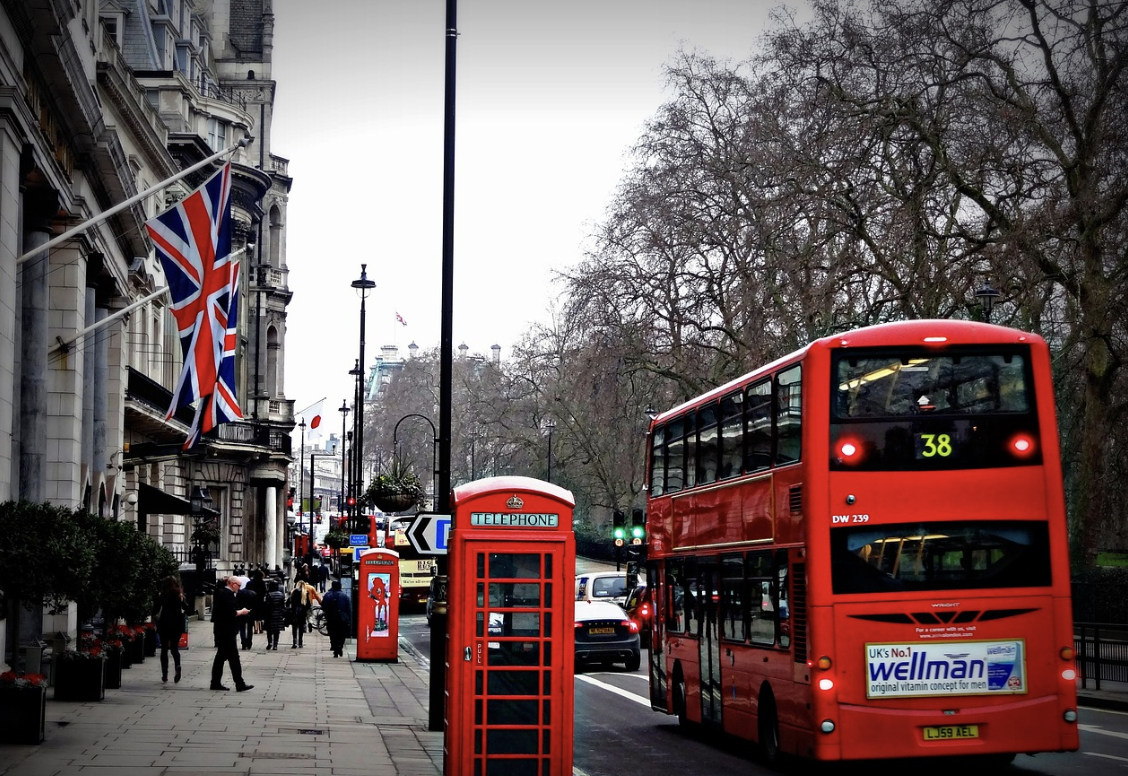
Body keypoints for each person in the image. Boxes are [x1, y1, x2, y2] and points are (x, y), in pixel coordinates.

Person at [211, 575, 254, 692]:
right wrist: (242, 612)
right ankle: (239, 684)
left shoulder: (222, 593)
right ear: (232, 584)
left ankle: (216, 682)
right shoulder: (227, 594)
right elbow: (231, 613)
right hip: (227, 631)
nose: (239, 588)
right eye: (238, 586)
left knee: (221, 658)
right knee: (233, 658)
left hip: (224, 630)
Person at [155, 575, 190, 683]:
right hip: (177, 624)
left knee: (164, 649)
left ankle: (164, 675)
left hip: (164, 623)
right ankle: (177, 666)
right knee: (174, 648)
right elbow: (186, 608)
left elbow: (155, 609)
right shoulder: (179, 595)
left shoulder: (162, 595)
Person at [321, 579, 351, 658]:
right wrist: (348, 618)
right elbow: (349, 608)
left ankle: (334, 646)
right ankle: (340, 646)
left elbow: (324, 606)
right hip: (343, 617)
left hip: (331, 617)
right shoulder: (345, 596)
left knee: (332, 632)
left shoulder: (328, 595)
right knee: (341, 633)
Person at [289, 578, 322, 648]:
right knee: (301, 628)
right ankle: (300, 642)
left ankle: (294, 642)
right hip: (302, 613)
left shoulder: (294, 592)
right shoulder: (305, 593)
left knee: (294, 628)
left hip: (294, 612)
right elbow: (308, 605)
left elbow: (288, 602)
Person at [262, 579, 287, 650]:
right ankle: (275, 644)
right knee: (277, 630)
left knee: (269, 629)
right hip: (278, 614)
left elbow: (267, 605)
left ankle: (270, 642)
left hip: (270, 614)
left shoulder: (269, 594)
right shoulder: (281, 594)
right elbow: (283, 605)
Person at [236, 578, 258, 650]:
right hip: (250, 613)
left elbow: (237, 603)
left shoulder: (240, 592)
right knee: (249, 628)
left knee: (242, 628)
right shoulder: (254, 594)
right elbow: (255, 605)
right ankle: (249, 643)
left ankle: (243, 643)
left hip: (242, 612)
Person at [250, 568, 268, 635]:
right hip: (260, 600)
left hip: (254, 600)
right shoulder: (262, 583)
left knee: (254, 615)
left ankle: (255, 628)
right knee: (260, 615)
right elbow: (264, 591)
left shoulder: (253, 582)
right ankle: (260, 628)